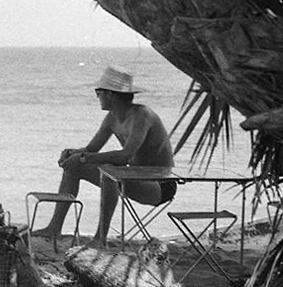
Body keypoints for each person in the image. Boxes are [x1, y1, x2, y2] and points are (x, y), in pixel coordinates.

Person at [31, 66, 176, 247]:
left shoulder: (142, 115)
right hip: (134, 177)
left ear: (111, 95)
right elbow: (92, 149)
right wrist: (73, 153)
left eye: (99, 92)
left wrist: (84, 158)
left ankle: (100, 238)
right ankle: (55, 227)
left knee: (109, 173)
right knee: (73, 167)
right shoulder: (112, 118)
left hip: (160, 185)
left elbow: (125, 156)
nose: (97, 96)